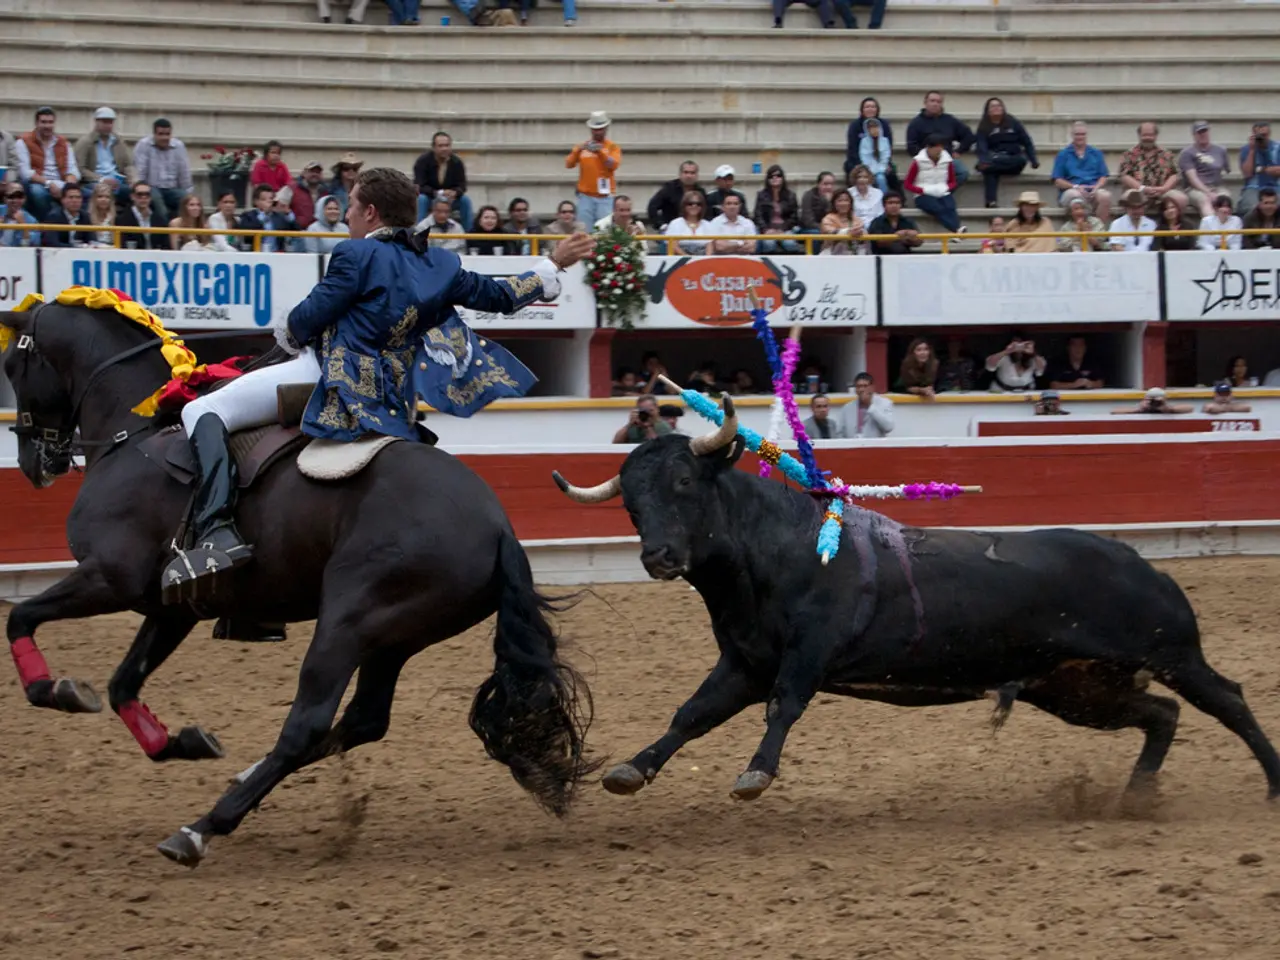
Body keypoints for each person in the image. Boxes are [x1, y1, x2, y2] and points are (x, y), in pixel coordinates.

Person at [160, 168, 594, 598]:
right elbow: (500, 296)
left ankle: (216, 530)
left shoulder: (355, 255)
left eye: (350, 205)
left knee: (201, 409)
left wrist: (287, 332)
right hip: (396, 401)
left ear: (370, 212)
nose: (346, 214)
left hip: (330, 379)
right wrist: (552, 264)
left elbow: (305, 321)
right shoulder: (441, 263)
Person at [565, 111, 620, 228]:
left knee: (604, 232)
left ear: (606, 128)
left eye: (600, 129)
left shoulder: (612, 147)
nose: (598, 132)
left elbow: (613, 165)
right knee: (584, 230)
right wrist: (578, 150)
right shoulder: (582, 147)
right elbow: (569, 164)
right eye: (595, 129)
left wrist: (600, 152)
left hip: (605, 196)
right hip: (585, 196)